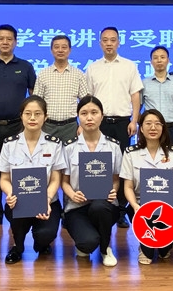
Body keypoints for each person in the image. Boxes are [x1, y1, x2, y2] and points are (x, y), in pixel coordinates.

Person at [0, 24, 36, 226]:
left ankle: (20, 210)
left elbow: (33, 94)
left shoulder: (25, 66)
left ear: (15, 42)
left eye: (9, 39)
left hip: (17, 126)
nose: (5, 42)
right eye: (1, 38)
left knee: (18, 169)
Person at [85, 26, 143, 228]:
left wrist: (134, 120)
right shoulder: (93, 68)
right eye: (105, 40)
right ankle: (97, 206)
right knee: (99, 165)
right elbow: (89, 98)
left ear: (118, 42)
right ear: (100, 43)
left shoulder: (129, 66)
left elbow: (135, 95)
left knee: (122, 167)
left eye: (112, 40)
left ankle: (120, 211)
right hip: (99, 124)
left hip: (122, 123)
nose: (109, 43)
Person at [0, 96, 65, 264]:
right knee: (15, 213)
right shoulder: (9, 144)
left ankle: (42, 242)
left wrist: (46, 199)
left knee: (45, 235)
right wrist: (10, 193)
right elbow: (4, 178)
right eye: (28, 113)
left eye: (37, 114)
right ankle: (17, 246)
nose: (32, 118)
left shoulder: (54, 144)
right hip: (19, 201)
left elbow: (55, 178)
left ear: (45, 117)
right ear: (21, 116)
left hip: (48, 202)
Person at [62, 95, 121, 267]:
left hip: (105, 205)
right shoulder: (69, 147)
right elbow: (64, 181)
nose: (89, 117)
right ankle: (88, 238)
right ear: (78, 117)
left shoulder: (113, 146)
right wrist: (73, 194)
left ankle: (105, 248)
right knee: (87, 244)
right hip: (77, 206)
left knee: (99, 207)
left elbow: (116, 179)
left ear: (102, 116)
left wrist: (114, 190)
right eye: (84, 113)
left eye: (94, 113)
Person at [121, 109, 173, 264]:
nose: (153, 127)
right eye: (148, 123)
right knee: (148, 256)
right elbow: (128, 186)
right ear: (141, 128)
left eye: (157, 124)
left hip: (167, 208)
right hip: (141, 207)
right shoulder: (131, 153)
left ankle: (164, 244)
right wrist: (135, 206)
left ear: (163, 128)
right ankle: (147, 246)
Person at [33, 34, 89, 142]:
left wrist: (83, 125)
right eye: (56, 47)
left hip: (71, 127)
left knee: (71, 153)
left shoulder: (78, 74)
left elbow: (85, 103)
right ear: (51, 50)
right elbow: (37, 103)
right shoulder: (43, 74)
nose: (60, 50)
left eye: (64, 47)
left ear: (70, 50)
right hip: (48, 126)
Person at [141, 45, 173, 152]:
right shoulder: (144, 83)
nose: (159, 60)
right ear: (151, 62)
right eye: (155, 58)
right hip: (151, 129)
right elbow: (137, 108)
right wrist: (143, 126)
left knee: (171, 159)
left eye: (162, 57)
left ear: (168, 60)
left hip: (171, 129)